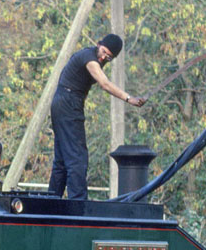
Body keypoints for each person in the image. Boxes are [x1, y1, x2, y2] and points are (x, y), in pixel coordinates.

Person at [49, 34, 147, 199]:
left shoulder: (92, 57)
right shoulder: (90, 58)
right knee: (77, 158)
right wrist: (129, 98)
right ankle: (78, 204)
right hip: (68, 104)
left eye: (108, 57)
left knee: (62, 160)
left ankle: (51, 200)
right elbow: (105, 84)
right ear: (98, 44)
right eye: (103, 52)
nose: (103, 57)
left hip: (63, 103)